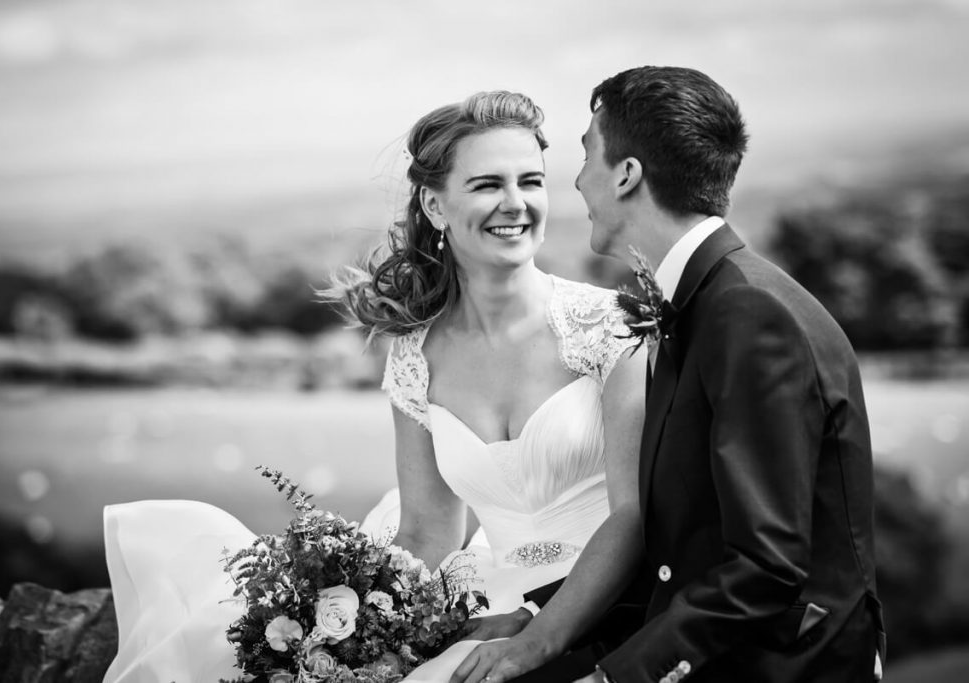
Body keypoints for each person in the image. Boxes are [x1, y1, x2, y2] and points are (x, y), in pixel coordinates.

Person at [101, 90, 650, 683]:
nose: (516, 204)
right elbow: (428, 531)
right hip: (493, 611)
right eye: (488, 184)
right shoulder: (415, 355)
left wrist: (539, 637)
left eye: (532, 181)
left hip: (613, 605)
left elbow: (636, 512)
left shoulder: (614, 327)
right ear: (435, 207)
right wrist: (347, 629)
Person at [454, 67, 885, 683]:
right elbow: (684, 546)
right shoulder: (706, 303)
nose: (574, 181)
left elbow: (765, 567)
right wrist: (533, 621)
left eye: (586, 156)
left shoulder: (749, 315)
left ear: (627, 175)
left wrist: (616, 678)